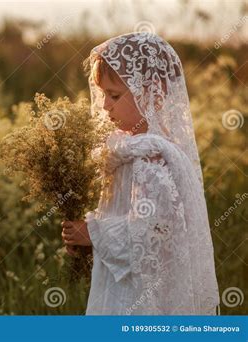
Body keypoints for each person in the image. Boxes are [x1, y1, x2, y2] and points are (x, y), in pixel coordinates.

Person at [61, 32, 220, 315]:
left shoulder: (152, 157)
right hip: (118, 278)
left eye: (114, 95)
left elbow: (155, 229)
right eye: (102, 95)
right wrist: (85, 234)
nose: (105, 105)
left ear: (151, 93)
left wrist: (94, 233)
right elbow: (121, 213)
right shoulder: (124, 150)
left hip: (140, 293)